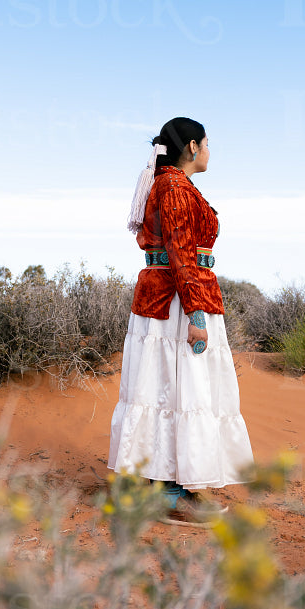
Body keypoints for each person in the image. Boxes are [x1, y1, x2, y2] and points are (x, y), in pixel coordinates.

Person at [107, 117, 256, 526]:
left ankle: (168, 484)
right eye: (208, 143)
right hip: (176, 303)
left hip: (173, 297)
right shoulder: (173, 185)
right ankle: (167, 493)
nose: (210, 150)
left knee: (169, 389)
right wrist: (195, 314)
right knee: (176, 390)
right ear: (192, 146)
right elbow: (179, 251)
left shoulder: (174, 183)